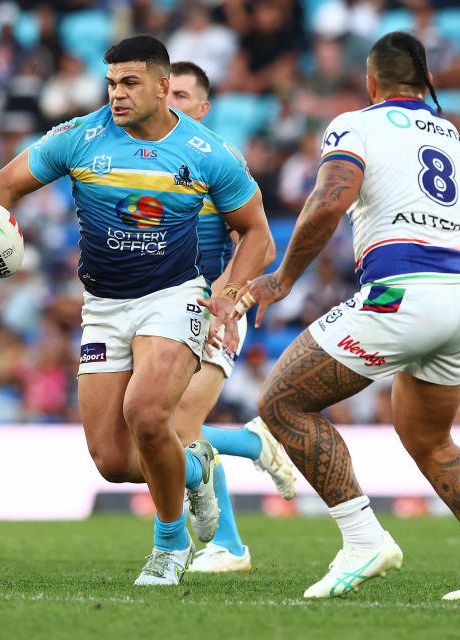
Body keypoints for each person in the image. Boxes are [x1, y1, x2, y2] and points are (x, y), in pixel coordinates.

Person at [0, 36, 272, 585]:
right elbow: (4, 186)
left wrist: (229, 293)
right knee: (115, 463)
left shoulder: (208, 153)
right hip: (103, 305)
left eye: (130, 82)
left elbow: (256, 233)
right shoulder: (79, 137)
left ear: (164, 87)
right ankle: (196, 465)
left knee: (146, 413)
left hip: (175, 297)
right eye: (112, 82)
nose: (117, 94)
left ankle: (168, 546)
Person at [235, 31, 460, 600]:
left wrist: (282, 279)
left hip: (403, 291)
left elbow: (329, 201)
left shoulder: (357, 123)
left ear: (370, 82)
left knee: (281, 401)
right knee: (431, 439)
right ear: (425, 82)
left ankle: (363, 540)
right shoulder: (453, 137)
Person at [165, 60, 295, 574]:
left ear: (203, 108)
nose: (170, 101)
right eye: (165, 92)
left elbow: (257, 243)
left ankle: (225, 545)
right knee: (158, 428)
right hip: (154, 315)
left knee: (177, 425)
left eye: (181, 94)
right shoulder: (142, 160)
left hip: (209, 310)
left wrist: (230, 298)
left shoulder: (219, 159)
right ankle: (251, 444)